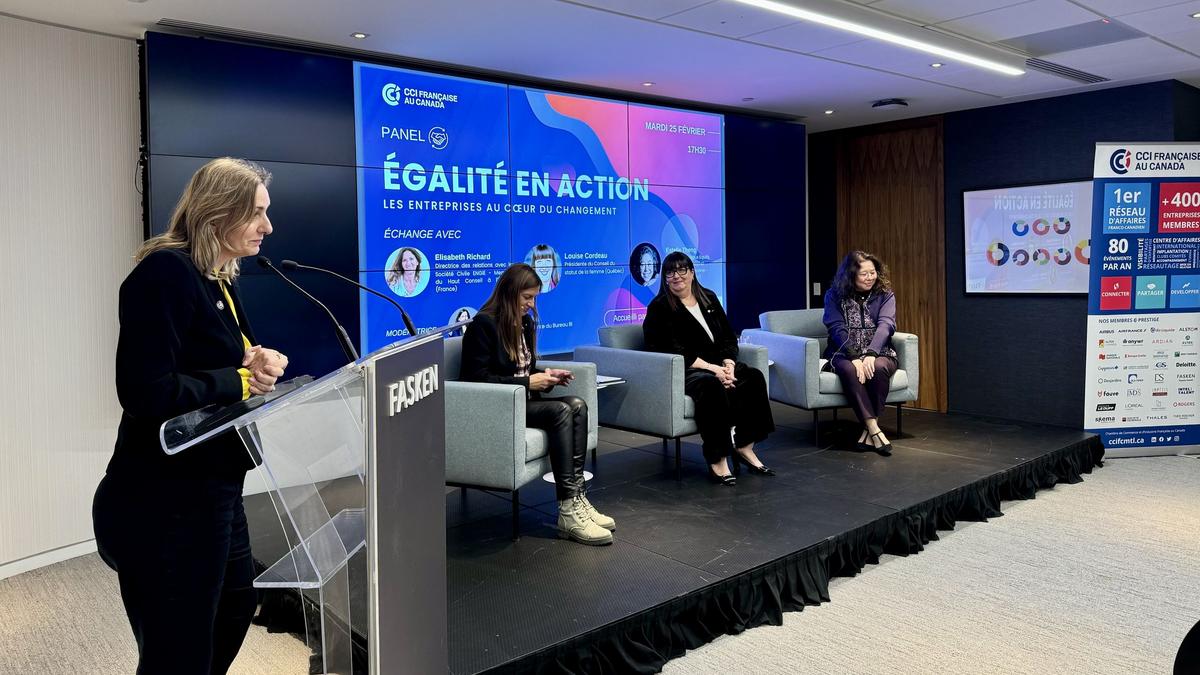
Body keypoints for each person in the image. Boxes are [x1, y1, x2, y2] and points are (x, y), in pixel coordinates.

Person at [92, 157, 290, 674]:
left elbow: (212, 357)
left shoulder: (217, 277)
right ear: (218, 213)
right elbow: (145, 391)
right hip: (166, 498)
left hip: (217, 485)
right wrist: (239, 379)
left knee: (235, 607)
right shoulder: (165, 272)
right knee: (178, 647)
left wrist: (256, 359)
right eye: (257, 213)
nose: (268, 226)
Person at [459, 263, 614, 545]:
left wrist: (546, 376)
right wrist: (528, 383)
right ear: (510, 293)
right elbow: (474, 378)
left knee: (577, 405)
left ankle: (577, 497)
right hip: (499, 408)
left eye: (534, 298)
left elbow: (523, 369)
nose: (531, 305)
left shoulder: (526, 323)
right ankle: (568, 511)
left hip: (525, 402)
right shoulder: (483, 324)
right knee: (560, 411)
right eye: (527, 297)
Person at [642, 252, 775, 485]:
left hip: (718, 364)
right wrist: (713, 369)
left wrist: (728, 365)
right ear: (664, 278)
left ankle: (744, 446)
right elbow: (667, 348)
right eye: (670, 272)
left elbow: (728, 337)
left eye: (682, 270)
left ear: (692, 273)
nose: (676, 276)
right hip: (686, 370)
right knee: (711, 386)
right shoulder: (659, 307)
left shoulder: (709, 298)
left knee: (753, 377)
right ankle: (718, 459)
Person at [822, 250, 899, 456]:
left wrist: (872, 353)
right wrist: (854, 357)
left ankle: (868, 431)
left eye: (873, 272)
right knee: (850, 370)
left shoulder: (885, 294)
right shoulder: (834, 295)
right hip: (843, 353)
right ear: (851, 275)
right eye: (864, 274)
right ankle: (873, 428)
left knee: (879, 367)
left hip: (880, 351)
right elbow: (836, 327)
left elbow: (886, 324)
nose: (870, 277)